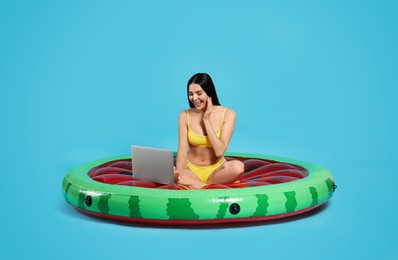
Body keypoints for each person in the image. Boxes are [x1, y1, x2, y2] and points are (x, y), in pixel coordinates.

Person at [175, 73, 244, 189]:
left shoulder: (228, 114)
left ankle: (198, 186)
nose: (194, 98)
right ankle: (206, 187)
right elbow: (182, 150)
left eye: (199, 93)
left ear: (209, 92)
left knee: (238, 167)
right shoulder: (185, 115)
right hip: (191, 170)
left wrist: (206, 120)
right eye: (190, 94)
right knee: (172, 172)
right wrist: (179, 173)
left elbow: (219, 151)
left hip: (216, 170)